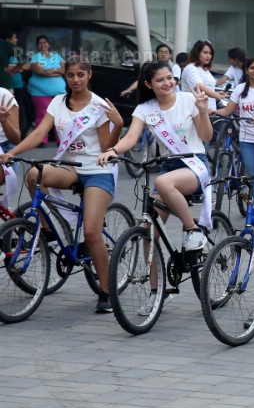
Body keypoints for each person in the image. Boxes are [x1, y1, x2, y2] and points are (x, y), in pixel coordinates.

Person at [1, 59, 121, 312]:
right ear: (64, 76)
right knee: (34, 174)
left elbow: (106, 147)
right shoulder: (58, 102)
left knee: (91, 232)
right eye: (70, 75)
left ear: (89, 75)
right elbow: (37, 134)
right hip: (70, 168)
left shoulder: (99, 106)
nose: (75, 79)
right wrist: (12, 153)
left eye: (80, 74)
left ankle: (106, 291)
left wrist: (118, 125)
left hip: (98, 170)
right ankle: (49, 229)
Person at [100, 62, 214, 256]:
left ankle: (192, 229)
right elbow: (130, 138)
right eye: (160, 80)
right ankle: (154, 286)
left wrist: (203, 111)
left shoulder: (187, 99)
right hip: (168, 167)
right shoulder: (145, 109)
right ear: (148, 84)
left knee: (162, 182)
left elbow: (206, 136)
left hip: (194, 165)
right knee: (148, 231)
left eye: (169, 78)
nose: (167, 83)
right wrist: (113, 150)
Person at [214, 57, 254, 211]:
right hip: (247, 140)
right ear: (247, 70)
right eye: (252, 68)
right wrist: (210, 112)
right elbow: (227, 110)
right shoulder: (240, 89)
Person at [28, 35, 66, 145]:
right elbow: (41, 72)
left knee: (61, 116)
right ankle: (41, 140)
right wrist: (56, 70)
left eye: (45, 42)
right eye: (40, 43)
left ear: (49, 44)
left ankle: (61, 140)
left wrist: (51, 70)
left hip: (59, 93)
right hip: (40, 93)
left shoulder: (56, 56)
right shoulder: (35, 57)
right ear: (37, 46)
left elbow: (64, 70)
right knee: (42, 116)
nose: (43, 45)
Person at [179, 39, 223, 111]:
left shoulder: (205, 70)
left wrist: (216, 93)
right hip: (195, 112)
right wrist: (217, 96)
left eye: (210, 53)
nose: (208, 56)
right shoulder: (191, 68)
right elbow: (199, 87)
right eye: (205, 52)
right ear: (197, 53)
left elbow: (209, 88)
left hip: (210, 111)